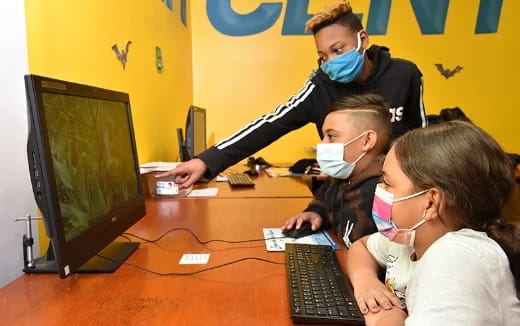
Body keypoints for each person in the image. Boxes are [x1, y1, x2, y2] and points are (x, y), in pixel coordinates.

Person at [162, 0, 426, 188]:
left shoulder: (405, 75)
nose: (331, 62)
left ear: (362, 40)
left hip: (397, 191)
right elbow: (270, 124)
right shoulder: (320, 86)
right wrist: (206, 161)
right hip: (345, 193)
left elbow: (421, 137)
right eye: (322, 56)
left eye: (338, 49)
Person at [345, 121, 520, 325]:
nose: (379, 189)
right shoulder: (408, 238)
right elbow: (362, 247)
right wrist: (366, 282)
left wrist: (384, 316)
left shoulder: (458, 258)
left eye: (387, 183)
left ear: (430, 203)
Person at [281, 93, 392, 248]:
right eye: (324, 136)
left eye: (332, 136)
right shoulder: (343, 174)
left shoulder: (386, 193)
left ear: (367, 140)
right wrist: (315, 212)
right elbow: (324, 201)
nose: (322, 144)